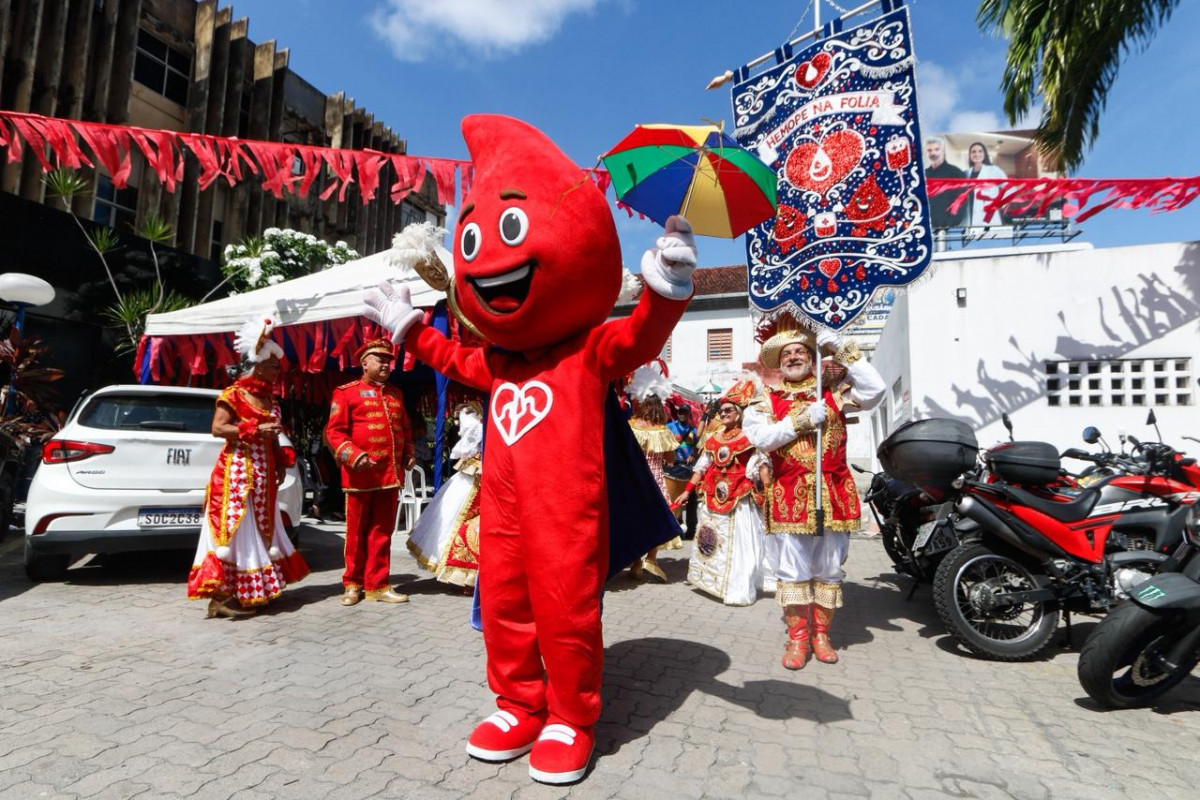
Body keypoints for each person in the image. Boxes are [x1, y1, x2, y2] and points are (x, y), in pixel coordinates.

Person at [364, 115, 694, 785]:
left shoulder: (585, 352)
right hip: (505, 514)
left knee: (565, 609)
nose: (491, 257)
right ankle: (518, 702)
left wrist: (665, 292)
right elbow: (453, 356)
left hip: (569, 517)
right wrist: (406, 327)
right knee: (507, 606)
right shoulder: (501, 366)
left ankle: (572, 716)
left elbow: (636, 342)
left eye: (511, 229)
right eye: (481, 237)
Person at [742, 317, 885, 669]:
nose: (793, 356)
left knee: (829, 569)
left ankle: (822, 635)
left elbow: (876, 390)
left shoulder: (835, 392)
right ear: (779, 361)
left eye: (800, 351)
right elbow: (762, 439)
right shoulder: (764, 401)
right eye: (787, 352)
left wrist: (841, 348)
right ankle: (798, 639)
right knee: (792, 571)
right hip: (790, 499)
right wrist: (802, 420)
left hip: (833, 496)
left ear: (811, 356)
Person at [187, 313, 309, 618]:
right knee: (235, 533)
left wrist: (280, 461)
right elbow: (218, 429)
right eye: (272, 367)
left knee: (263, 532)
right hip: (237, 476)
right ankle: (222, 597)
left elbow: (274, 437)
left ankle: (252, 592)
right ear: (258, 365)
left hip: (264, 476)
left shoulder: (270, 400)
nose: (277, 372)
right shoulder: (234, 395)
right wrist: (253, 430)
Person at [325, 338, 415, 606]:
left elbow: (406, 429)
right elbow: (334, 432)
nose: (387, 364)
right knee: (356, 533)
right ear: (364, 363)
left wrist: (409, 454)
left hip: (390, 475)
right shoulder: (346, 392)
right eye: (380, 359)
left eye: (389, 360)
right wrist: (353, 455)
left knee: (382, 532)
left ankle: (379, 584)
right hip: (359, 477)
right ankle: (352, 584)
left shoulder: (396, 394)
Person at [674, 379, 771, 606]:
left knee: (739, 544)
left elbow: (762, 465)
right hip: (712, 498)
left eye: (728, 410)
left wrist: (769, 496)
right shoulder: (714, 438)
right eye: (721, 410)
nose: (723, 414)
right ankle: (711, 583)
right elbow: (702, 467)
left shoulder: (751, 437)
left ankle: (736, 587)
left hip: (739, 499)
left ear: (739, 413)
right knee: (710, 537)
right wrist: (687, 491)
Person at [407, 403, 483, 588]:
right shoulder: (472, 410)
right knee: (456, 519)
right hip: (474, 473)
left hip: (497, 471)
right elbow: (470, 440)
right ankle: (463, 573)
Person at [626, 364, 681, 581]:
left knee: (636, 518)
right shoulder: (663, 431)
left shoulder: (630, 426)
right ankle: (652, 558)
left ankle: (636, 563)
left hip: (634, 479)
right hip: (656, 479)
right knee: (658, 518)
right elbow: (670, 459)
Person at [664, 404, 700, 537]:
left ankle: (691, 530)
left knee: (691, 500)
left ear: (689, 414)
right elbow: (664, 443)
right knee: (674, 499)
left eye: (685, 412)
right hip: (673, 467)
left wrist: (693, 455)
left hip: (689, 468)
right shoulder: (670, 427)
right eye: (680, 412)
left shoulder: (694, 430)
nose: (682, 414)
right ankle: (676, 529)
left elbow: (698, 446)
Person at [923, 137, 967, 229]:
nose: (933, 153)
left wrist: (950, 224)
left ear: (943, 151)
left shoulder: (956, 173)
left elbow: (962, 200)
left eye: (936, 149)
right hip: (926, 227)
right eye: (929, 150)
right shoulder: (923, 174)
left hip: (949, 229)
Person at [965, 141, 1007, 228]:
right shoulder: (965, 173)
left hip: (988, 216)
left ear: (985, 154)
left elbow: (1008, 187)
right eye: (973, 151)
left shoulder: (994, 170)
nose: (977, 154)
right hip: (969, 216)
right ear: (970, 155)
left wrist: (1000, 204)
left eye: (980, 151)